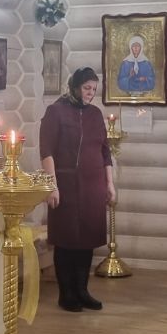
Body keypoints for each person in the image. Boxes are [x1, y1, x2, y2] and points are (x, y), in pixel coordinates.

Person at [39, 67, 115, 312]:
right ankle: (66, 294)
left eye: (94, 89)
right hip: (66, 185)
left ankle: (82, 291)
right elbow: (46, 150)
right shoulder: (55, 111)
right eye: (86, 88)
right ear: (74, 87)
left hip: (94, 186)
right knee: (66, 240)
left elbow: (105, 152)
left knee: (87, 240)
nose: (91, 93)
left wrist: (109, 184)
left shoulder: (95, 114)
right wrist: (52, 186)